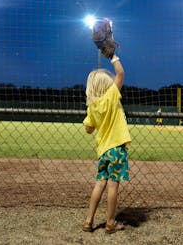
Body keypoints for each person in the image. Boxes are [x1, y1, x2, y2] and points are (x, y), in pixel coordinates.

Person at [82, 54, 132, 234]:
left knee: (100, 183)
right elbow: (121, 73)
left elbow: (88, 128)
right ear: (108, 87)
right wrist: (113, 56)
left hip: (103, 151)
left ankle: (89, 221)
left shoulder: (92, 106)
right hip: (117, 149)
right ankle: (110, 222)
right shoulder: (111, 97)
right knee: (113, 185)